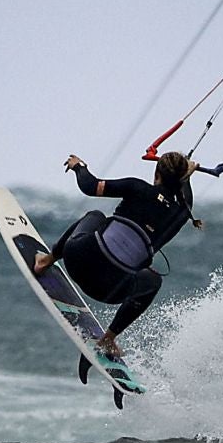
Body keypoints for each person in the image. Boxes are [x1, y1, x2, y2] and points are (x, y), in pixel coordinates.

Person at [31, 150, 207, 361]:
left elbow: (90, 186)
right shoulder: (178, 217)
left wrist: (79, 166)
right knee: (153, 280)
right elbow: (186, 203)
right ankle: (108, 338)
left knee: (96, 216)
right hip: (108, 291)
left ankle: (45, 261)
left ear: (157, 173)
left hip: (77, 260)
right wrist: (188, 176)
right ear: (181, 179)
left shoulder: (137, 188)